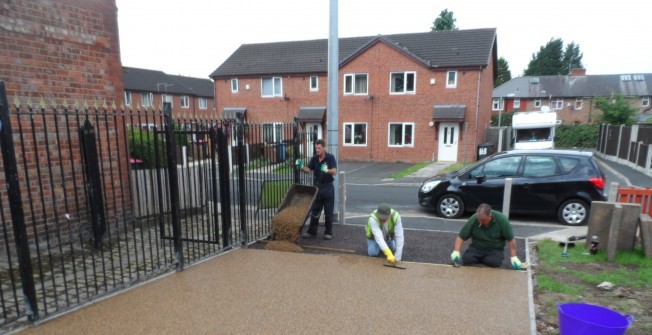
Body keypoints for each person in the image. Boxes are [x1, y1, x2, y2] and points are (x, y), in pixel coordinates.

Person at [450, 203, 524, 269]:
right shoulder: (474, 218)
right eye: (479, 221)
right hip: (476, 247)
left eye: (484, 221)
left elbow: (511, 240)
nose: (481, 223)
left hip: (494, 249)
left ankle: (487, 259)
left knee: (494, 262)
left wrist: (514, 257)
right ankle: (481, 259)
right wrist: (456, 251)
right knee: (467, 260)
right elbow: (461, 237)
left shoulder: (502, 220)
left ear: (490, 216)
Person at [295, 139, 337, 240]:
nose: (317, 150)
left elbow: (334, 171)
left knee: (328, 212)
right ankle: (312, 232)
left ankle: (328, 232)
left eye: (319, 148)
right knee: (315, 210)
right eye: (316, 148)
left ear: (324, 148)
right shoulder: (314, 159)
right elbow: (308, 170)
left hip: (328, 187)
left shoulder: (330, 158)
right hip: (318, 188)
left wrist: (326, 170)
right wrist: (300, 166)